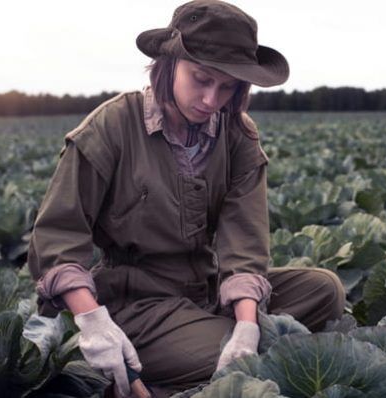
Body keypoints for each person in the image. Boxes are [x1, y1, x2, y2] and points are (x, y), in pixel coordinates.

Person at [27, 1, 345, 395]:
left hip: (206, 291)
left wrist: (246, 327)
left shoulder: (238, 134)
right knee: (232, 356)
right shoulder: (112, 125)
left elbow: (244, 244)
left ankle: (206, 350)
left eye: (227, 87)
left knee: (324, 289)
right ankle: (147, 364)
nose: (212, 99)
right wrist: (93, 323)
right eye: (201, 79)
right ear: (168, 64)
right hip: (136, 305)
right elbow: (58, 238)